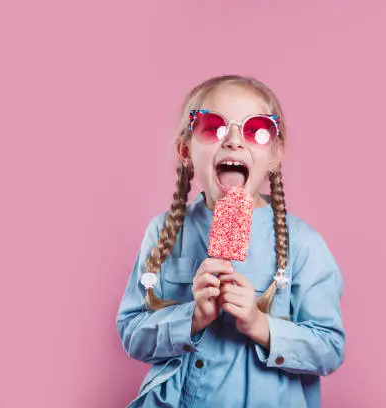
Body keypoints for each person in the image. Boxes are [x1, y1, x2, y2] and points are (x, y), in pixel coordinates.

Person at [116, 74, 346, 407]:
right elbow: (132, 333)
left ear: (276, 155)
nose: (234, 141)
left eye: (256, 130)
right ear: (185, 150)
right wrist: (192, 318)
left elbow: (330, 348)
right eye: (213, 127)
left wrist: (259, 325)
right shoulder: (164, 230)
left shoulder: (304, 244)